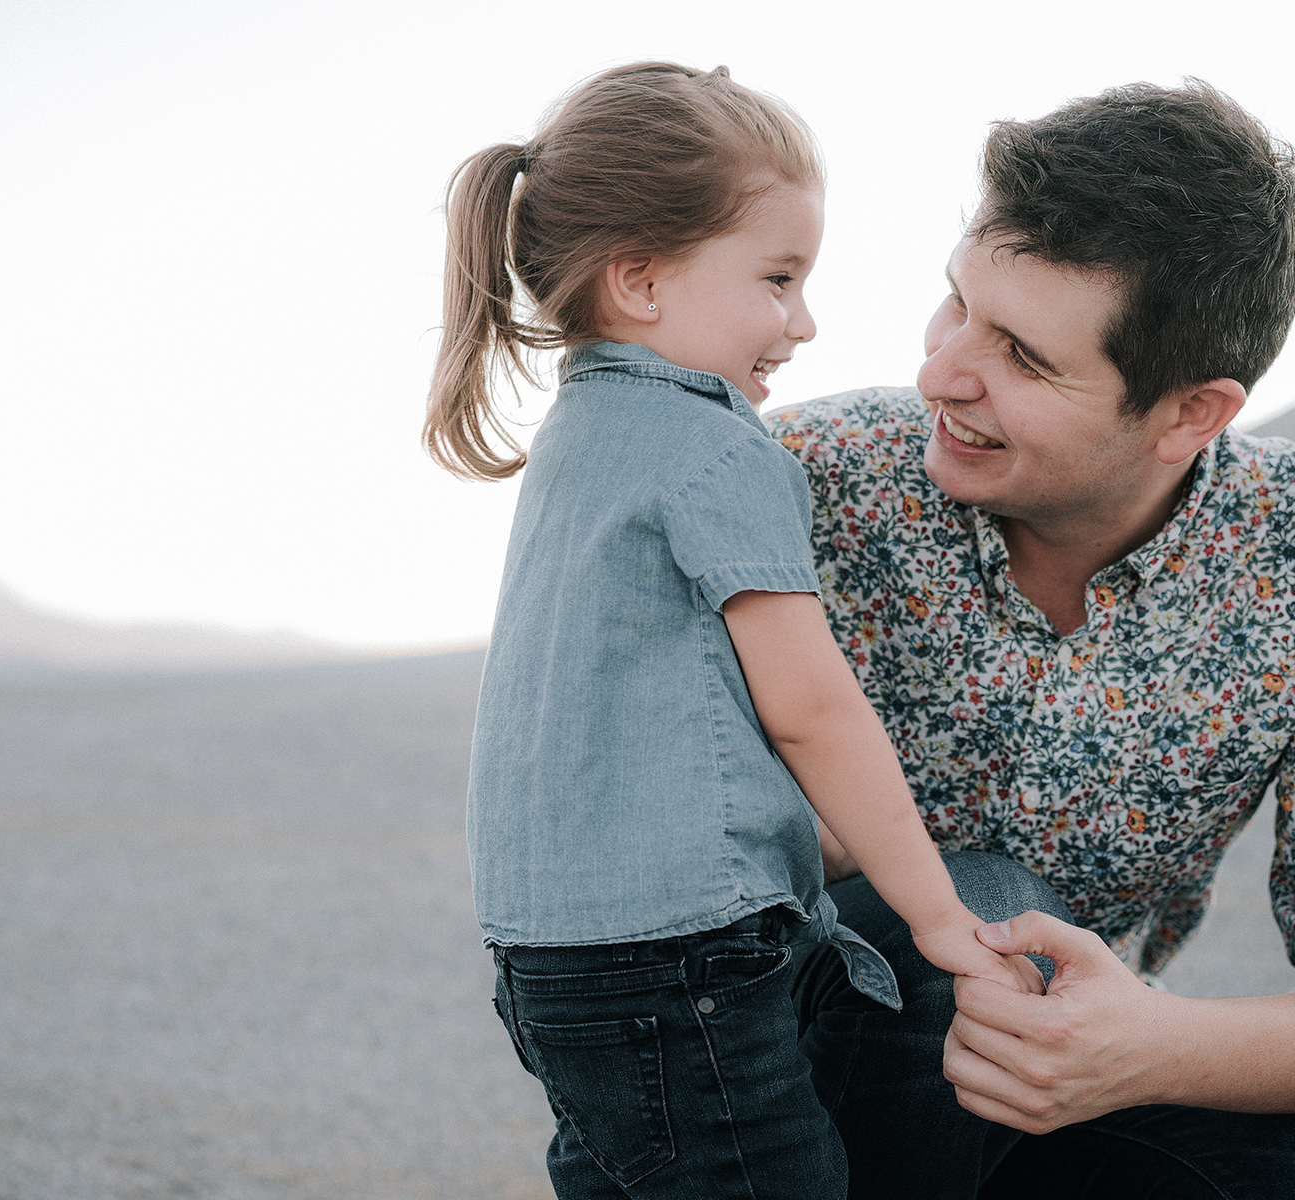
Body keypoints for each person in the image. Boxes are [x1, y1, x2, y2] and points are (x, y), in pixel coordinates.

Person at [767, 79, 1295, 1199]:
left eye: (1022, 355)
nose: (941, 373)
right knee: (975, 906)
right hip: (775, 1093)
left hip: (1074, 1083)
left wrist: (1147, 1048)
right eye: (955, 305)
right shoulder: (801, 480)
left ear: (1191, 415)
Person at [424, 61, 1049, 1199]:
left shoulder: (581, 434)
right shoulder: (716, 447)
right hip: (685, 959)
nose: (802, 323)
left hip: (549, 960)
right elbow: (809, 706)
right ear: (641, 280)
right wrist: (938, 916)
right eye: (777, 278)